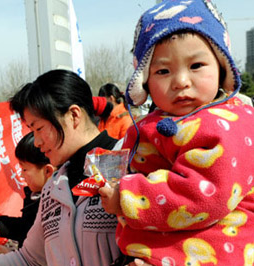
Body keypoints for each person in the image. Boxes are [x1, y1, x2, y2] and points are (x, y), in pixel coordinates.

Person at [99, 1, 254, 265]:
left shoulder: (226, 123)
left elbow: (202, 193)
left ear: (222, 68)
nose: (181, 81)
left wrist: (126, 196)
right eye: (163, 71)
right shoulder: (157, 120)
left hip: (209, 252)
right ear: (145, 81)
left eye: (196, 66)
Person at [0, 69, 122, 266]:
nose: (37, 142)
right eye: (32, 130)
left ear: (74, 115)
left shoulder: (130, 162)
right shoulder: (53, 189)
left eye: (39, 129)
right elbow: (29, 259)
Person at [0, 131, 55, 253]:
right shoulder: (37, 195)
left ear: (48, 171)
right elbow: (26, 227)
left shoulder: (54, 211)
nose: (21, 175)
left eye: (24, 169)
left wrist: (11, 258)